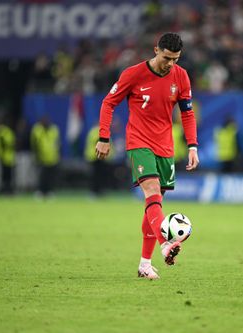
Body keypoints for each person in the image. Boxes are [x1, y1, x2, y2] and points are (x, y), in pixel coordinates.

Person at [95, 33, 199, 280]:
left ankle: (144, 264)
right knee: (152, 193)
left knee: (154, 207)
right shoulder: (133, 74)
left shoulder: (181, 76)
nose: (170, 63)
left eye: (175, 59)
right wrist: (103, 137)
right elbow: (109, 103)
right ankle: (166, 243)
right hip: (139, 142)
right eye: (166, 58)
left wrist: (193, 146)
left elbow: (187, 113)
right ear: (156, 50)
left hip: (165, 146)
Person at [30, 115, 60, 198]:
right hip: (41, 157)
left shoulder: (54, 130)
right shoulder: (37, 130)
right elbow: (34, 144)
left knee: (51, 176)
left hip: (52, 157)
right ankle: (40, 191)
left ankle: (49, 191)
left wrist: (57, 155)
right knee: (41, 176)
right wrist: (36, 156)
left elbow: (57, 143)